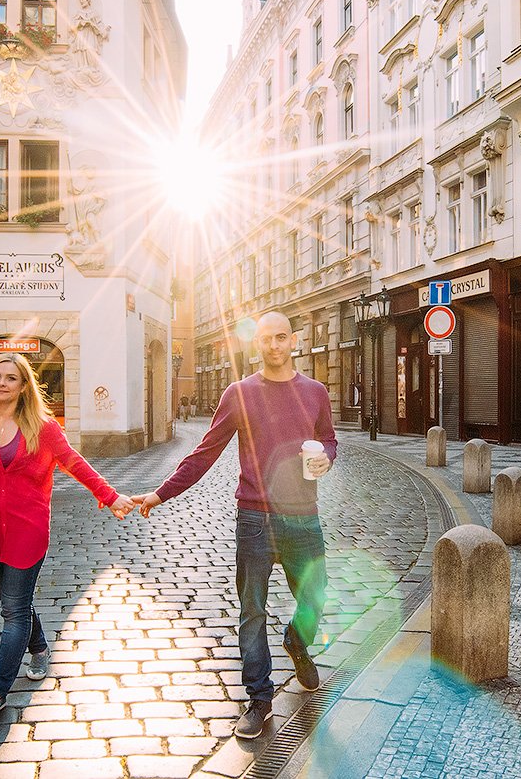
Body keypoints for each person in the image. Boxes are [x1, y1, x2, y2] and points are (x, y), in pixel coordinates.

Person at [132, 312, 336, 739]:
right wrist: (159, 494)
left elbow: (328, 438)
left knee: (314, 597)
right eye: (266, 339)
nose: (275, 345)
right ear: (255, 344)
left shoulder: (315, 392)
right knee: (252, 611)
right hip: (255, 518)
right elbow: (204, 453)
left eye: (282, 337)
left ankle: (297, 644)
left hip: (304, 515)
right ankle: (259, 699)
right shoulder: (239, 393)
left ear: (294, 340)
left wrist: (327, 457)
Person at [0, 352, 135, 722]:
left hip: (27, 528)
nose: (1, 382)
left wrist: (110, 496)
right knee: (13, 600)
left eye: (10, 377)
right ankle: (41, 648)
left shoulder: (43, 427)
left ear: (23, 385)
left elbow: (73, 462)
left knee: (13, 611)